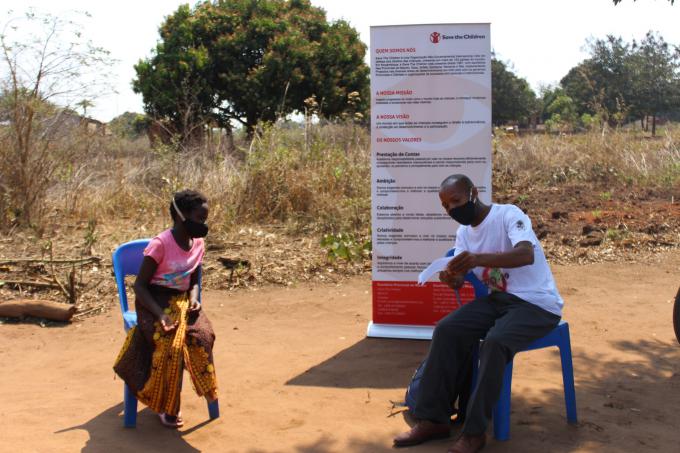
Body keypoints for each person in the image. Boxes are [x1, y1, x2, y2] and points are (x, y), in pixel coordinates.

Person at [394, 174, 563, 453]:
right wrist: (453, 279)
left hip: (536, 304)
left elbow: (525, 255)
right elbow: (461, 274)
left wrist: (478, 259)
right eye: (446, 206)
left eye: (456, 201)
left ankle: (474, 433)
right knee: (447, 329)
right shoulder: (464, 234)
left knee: (496, 343)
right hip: (499, 301)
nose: (452, 210)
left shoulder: (508, 215)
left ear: (473, 193)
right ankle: (433, 419)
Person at [114, 189, 218, 429]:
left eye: (205, 219)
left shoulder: (198, 243)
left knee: (202, 337)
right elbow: (139, 286)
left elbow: (193, 280)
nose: (203, 225)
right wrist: (160, 314)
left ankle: (209, 392)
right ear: (181, 216)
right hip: (153, 301)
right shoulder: (160, 245)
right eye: (199, 219)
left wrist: (194, 298)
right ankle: (166, 404)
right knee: (170, 344)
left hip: (182, 300)